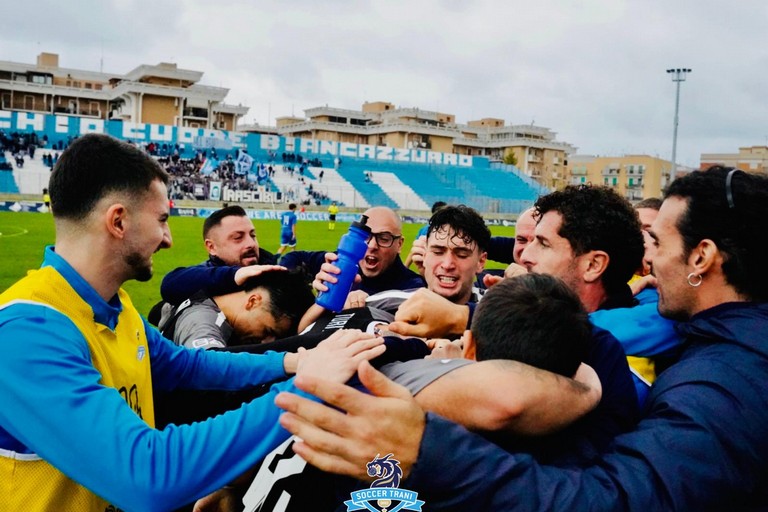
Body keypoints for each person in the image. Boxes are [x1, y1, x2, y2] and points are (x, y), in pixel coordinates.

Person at [275, 166, 768, 510]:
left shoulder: (724, 382)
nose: (523, 256)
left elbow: (621, 499)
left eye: (658, 243)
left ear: (702, 258)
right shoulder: (691, 334)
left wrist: (430, 450)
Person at [0, 133, 386, 511]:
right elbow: (149, 475)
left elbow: (188, 365)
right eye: (162, 219)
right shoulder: (27, 332)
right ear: (118, 221)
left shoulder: (114, 305)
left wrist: (293, 362)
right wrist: (305, 389)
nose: (167, 238)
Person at [282, 206, 425, 295]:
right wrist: (302, 288)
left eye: (384, 238)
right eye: (365, 236)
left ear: (399, 244)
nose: (372, 245)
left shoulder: (412, 288)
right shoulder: (338, 265)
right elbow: (295, 257)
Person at [158, 269, 315, 348]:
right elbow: (209, 367)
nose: (266, 342)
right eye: (269, 331)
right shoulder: (202, 321)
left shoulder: (212, 295)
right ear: (253, 301)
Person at [160, 205, 279, 305]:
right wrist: (235, 275)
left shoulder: (275, 269)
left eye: (253, 235)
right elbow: (170, 285)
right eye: (238, 238)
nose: (251, 243)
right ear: (211, 247)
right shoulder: (204, 277)